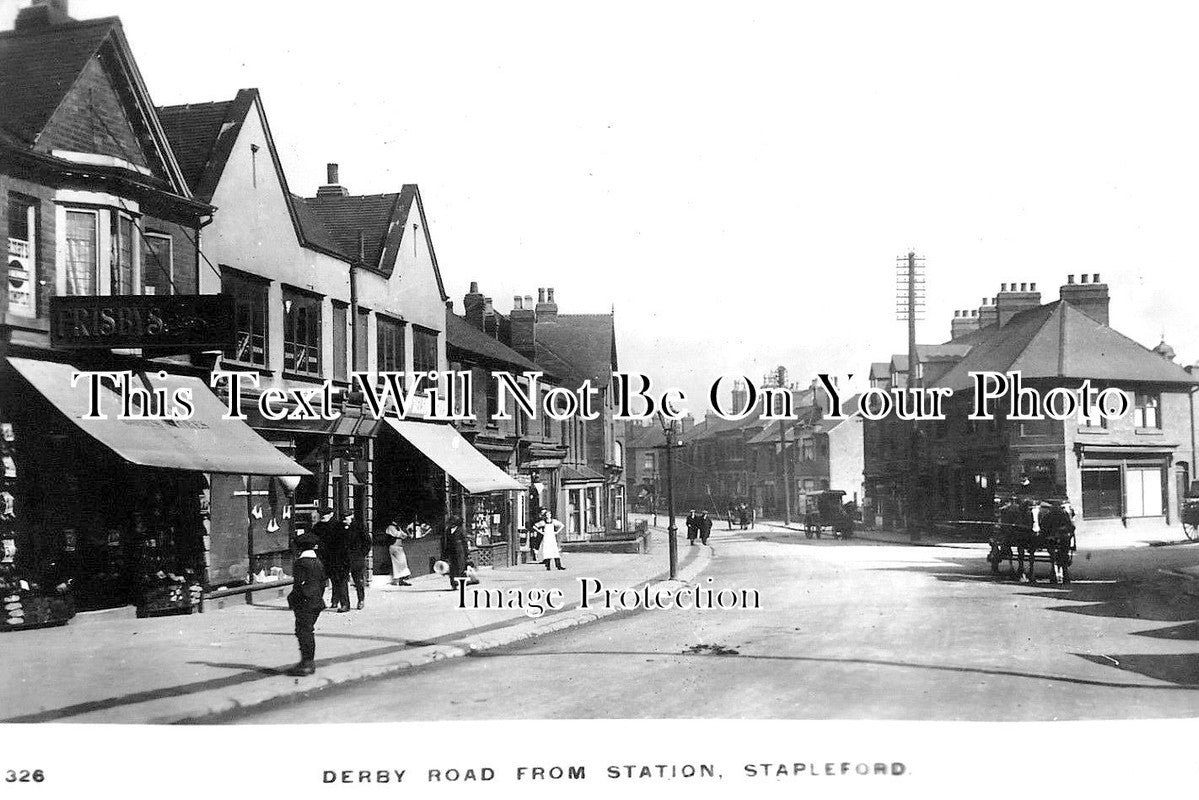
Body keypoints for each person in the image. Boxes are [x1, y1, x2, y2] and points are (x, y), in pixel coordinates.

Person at [286, 532, 326, 676]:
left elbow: (299, 586)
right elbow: (322, 584)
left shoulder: (301, 564)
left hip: (305, 603)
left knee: (304, 632)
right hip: (316, 602)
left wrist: (292, 600)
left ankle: (307, 663)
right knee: (308, 631)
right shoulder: (318, 562)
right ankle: (307, 661)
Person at [315, 508, 350, 612]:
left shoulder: (338, 526)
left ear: (331, 514)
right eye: (321, 514)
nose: (323, 516)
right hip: (323, 558)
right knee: (320, 581)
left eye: (325, 514)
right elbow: (312, 538)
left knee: (340, 581)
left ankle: (344, 604)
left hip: (338, 558)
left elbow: (346, 542)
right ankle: (320, 602)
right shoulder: (318, 527)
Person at [344, 511, 371, 610]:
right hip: (344, 558)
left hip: (356, 558)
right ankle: (345, 604)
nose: (344, 520)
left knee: (358, 580)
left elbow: (367, 542)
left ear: (351, 517)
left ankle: (361, 600)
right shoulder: (341, 528)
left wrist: (361, 554)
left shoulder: (359, 527)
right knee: (343, 581)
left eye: (346, 518)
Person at [441, 514, 476, 590]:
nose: (451, 524)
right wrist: (445, 552)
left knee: (460, 567)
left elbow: (464, 542)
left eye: (452, 522)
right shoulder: (448, 530)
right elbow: (446, 541)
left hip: (460, 551)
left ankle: (462, 582)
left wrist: (467, 552)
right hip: (451, 551)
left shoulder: (460, 530)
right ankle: (453, 583)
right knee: (452, 568)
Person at [383, 516, 410, 586]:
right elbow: (397, 534)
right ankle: (397, 580)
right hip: (394, 547)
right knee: (398, 564)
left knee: (403, 563)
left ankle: (402, 579)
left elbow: (403, 534)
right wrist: (403, 534)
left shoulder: (397, 527)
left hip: (399, 547)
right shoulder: (391, 527)